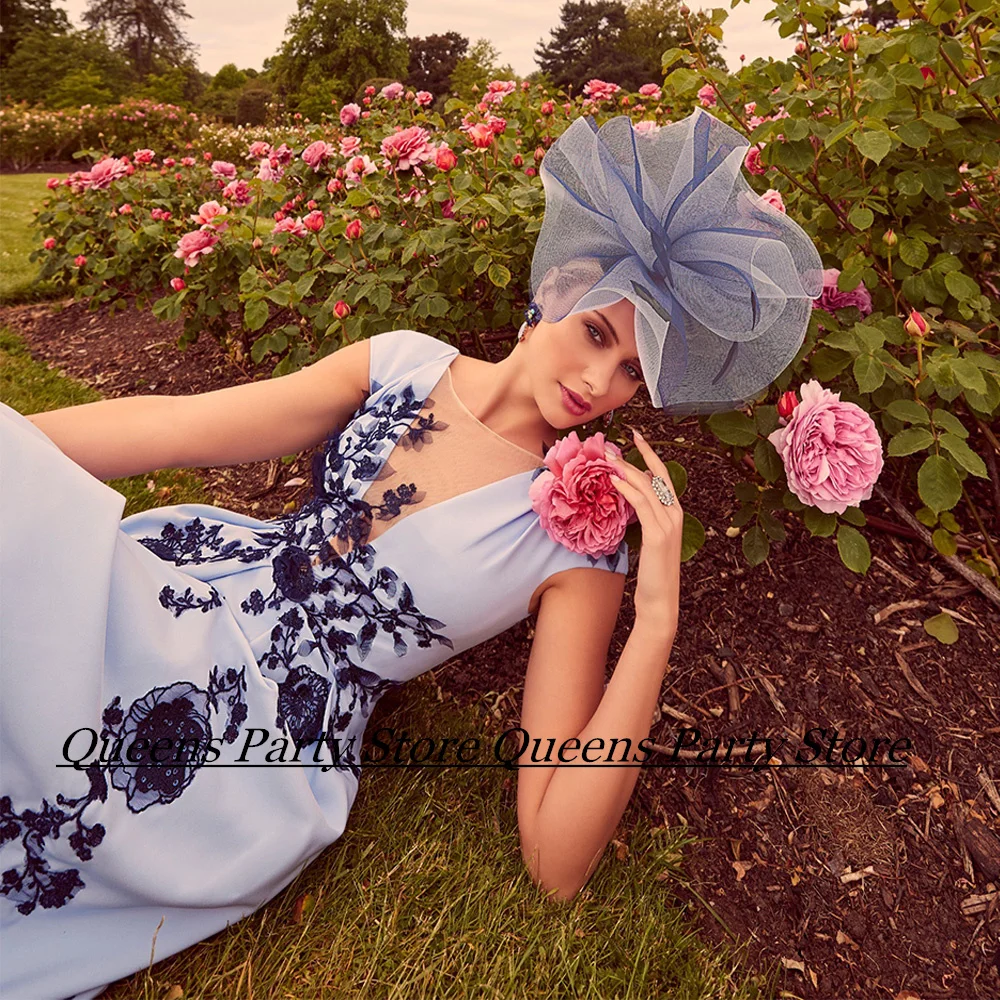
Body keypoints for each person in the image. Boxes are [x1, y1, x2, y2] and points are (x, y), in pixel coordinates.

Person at [0, 107, 823, 999]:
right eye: (597, 334)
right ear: (555, 289)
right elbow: (175, 425)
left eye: (633, 372)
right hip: (201, 581)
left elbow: (555, 858)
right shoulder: (404, 362)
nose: (600, 384)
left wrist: (655, 620)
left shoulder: (578, 536)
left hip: (268, 727)